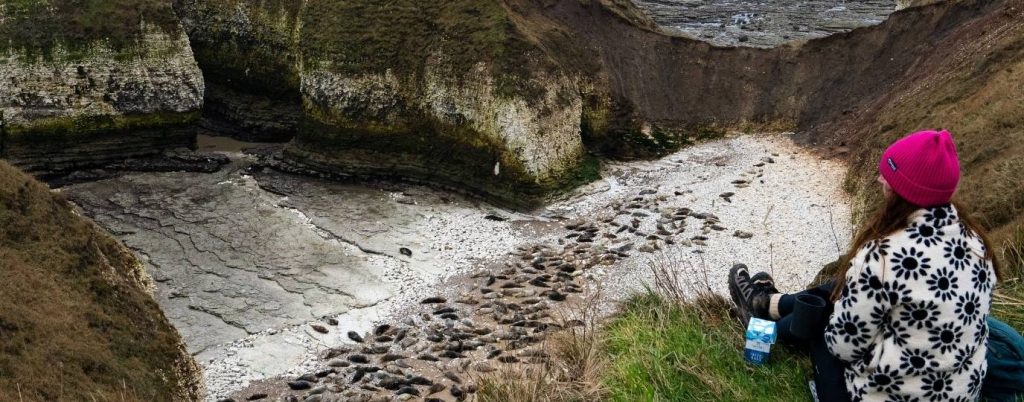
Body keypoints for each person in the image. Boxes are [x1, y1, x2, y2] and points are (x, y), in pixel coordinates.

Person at [728, 129, 1001, 402]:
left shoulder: (881, 256)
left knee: (821, 315)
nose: (880, 179)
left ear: (902, 190)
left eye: (888, 176)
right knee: (838, 288)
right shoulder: (978, 246)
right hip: (961, 395)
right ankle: (767, 306)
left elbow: (843, 346)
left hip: (884, 395)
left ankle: (764, 320)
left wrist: (835, 315)